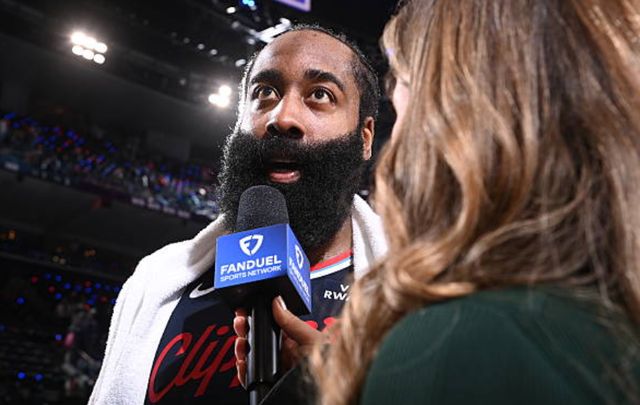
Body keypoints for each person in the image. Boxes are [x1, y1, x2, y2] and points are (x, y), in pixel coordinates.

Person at [306, 0, 640, 404]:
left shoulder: (450, 346)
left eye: (404, 81)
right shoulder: (601, 326)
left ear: (461, 120)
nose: (397, 131)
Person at [88, 25, 387, 405]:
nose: (283, 117)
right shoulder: (154, 281)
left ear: (364, 137)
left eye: (320, 95)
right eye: (265, 93)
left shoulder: (418, 293)